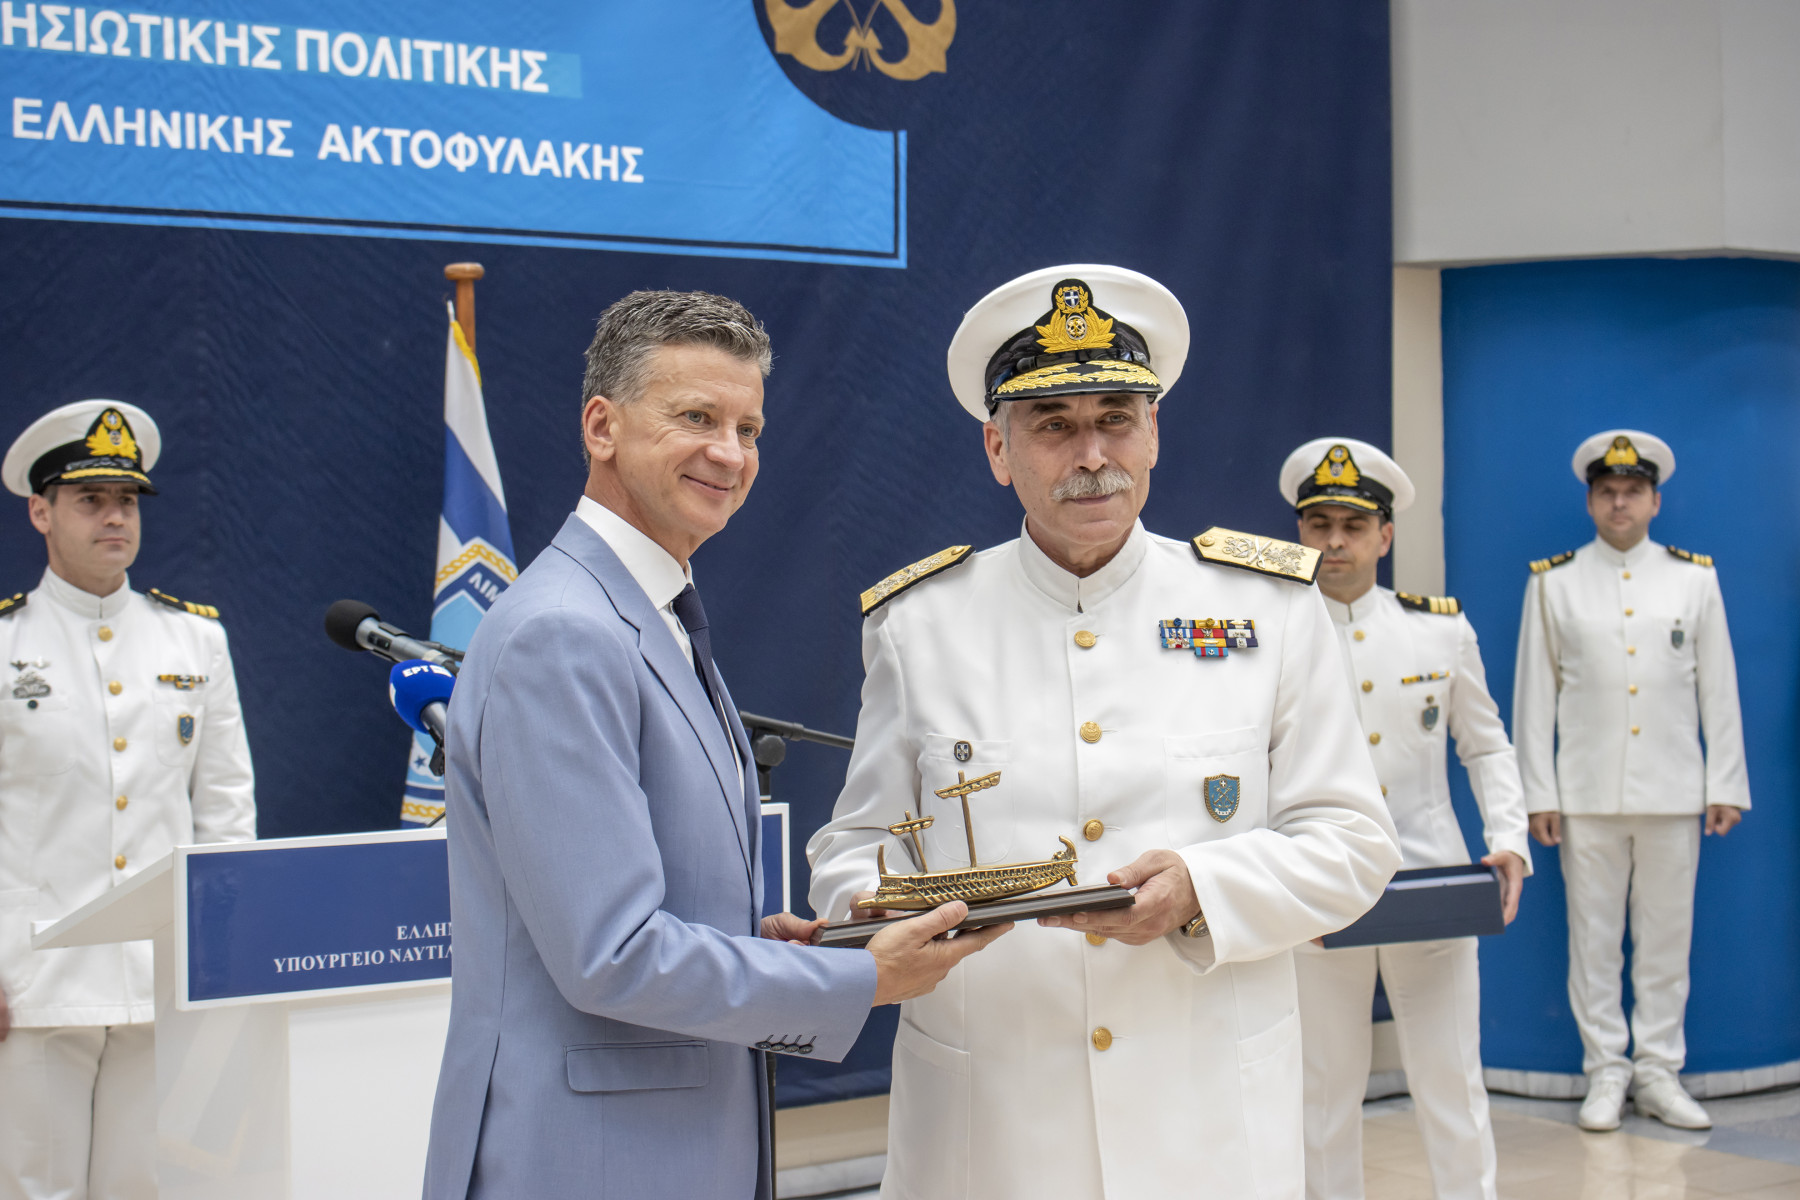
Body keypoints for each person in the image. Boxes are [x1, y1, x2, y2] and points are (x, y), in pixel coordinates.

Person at [807, 266, 1401, 1200]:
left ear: (1154, 432)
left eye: (1116, 418)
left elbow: (1356, 844)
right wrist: (871, 913)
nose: (1092, 454)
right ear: (998, 448)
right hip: (994, 1123)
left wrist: (1202, 888)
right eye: (1053, 426)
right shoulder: (922, 624)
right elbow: (858, 844)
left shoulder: (1271, 608)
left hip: (1204, 1120)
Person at [421, 290, 1005, 1200]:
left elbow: (622, 907)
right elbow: (611, 953)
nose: (730, 453)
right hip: (588, 1162)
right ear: (602, 427)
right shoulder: (564, 632)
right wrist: (858, 982)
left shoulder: (644, 611)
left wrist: (773, 944)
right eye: (696, 418)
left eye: (749, 428)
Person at [0, 400, 256, 1200]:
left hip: (160, 978)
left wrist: (222, 953)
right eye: (90, 500)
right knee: (34, 1188)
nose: (115, 517)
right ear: (41, 512)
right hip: (31, 980)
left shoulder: (194, 641)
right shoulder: (6, 645)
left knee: (145, 1187)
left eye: (127, 501)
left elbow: (226, 810)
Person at [1281, 437, 1530, 1200]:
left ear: (1384, 536)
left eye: (1353, 526)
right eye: (1320, 524)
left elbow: (1487, 747)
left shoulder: (1438, 630)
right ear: (1300, 531)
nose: (1335, 541)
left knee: (1451, 1083)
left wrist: (1509, 839)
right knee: (1322, 1095)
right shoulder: (1276, 635)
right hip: (1319, 891)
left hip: (1431, 887)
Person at [1514, 429, 1748, 1133]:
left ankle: (1658, 1072)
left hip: (1674, 791)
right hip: (1585, 794)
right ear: (1590, 502)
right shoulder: (1553, 582)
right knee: (1593, 940)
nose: (1620, 503)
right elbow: (1535, 698)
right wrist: (1538, 794)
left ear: (1655, 501)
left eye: (1633, 492)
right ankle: (1606, 1072)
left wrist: (1725, 782)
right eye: (1608, 492)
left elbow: (1719, 688)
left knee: (1666, 940)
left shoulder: (1694, 580)